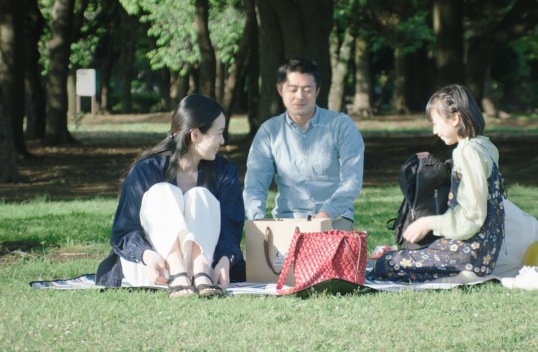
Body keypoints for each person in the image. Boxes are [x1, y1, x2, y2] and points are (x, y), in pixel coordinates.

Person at [95, 94, 245, 297]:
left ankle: (198, 273)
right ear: (195, 135)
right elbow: (124, 232)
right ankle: (178, 273)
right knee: (163, 191)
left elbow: (230, 227)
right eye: (218, 134)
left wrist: (225, 259)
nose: (222, 140)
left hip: (205, 271)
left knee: (201, 194)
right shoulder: (146, 170)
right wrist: (147, 255)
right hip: (153, 267)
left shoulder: (224, 172)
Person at [371, 84, 505, 282]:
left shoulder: (467, 152)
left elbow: (472, 216)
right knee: (405, 256)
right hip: (486, 252)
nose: (434, 131)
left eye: (435, 123)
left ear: (455, 118)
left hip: (470, 254)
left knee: (386, 264)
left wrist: (428, 222)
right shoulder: (485, 145)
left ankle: (461, 272)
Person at [243, 57, 365, 231]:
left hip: (334, 219)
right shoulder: (269, 131)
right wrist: (258, 222)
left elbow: (352, 181)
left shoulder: (341, 125)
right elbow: (255, 185)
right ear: (280, 89)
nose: (300, 96)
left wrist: (325, 214)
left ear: (318, 90)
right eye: (293, 89)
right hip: (287, 220)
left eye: (307, 90)